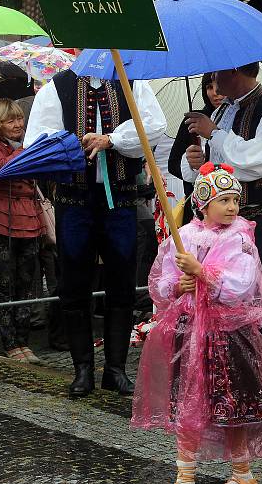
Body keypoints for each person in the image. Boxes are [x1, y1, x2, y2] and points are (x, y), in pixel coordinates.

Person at [25, 69, 166, 397]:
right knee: (74, 283)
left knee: (122, 283)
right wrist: (72, 143)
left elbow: (154, 125)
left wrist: (113, 140)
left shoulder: (133, 81)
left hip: (119, 196)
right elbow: (36, 140)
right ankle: (83, 370)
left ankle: (115, 370)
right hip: (74, 200)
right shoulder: (57, 87)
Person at [132, 163, 262, 484]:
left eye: (235, 200)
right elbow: (163, 279)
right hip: (189, 330)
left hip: (228, 334)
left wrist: (203, 273)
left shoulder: (240, 239)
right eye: (224, 201)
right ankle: (185, 471)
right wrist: (177, 285)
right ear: (204, 202)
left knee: (232, 406)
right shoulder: (184, 237)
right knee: (187, 404)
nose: (232, 207)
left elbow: (242, 284)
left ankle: (242, 472)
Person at [180, 62, 262, 428]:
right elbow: (216, 174)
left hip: (260, 219)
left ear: (236, 72)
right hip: (221, 227)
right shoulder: (225, 109)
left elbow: (256, 161)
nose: (212, 81)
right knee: (224, 304)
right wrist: (196, 162)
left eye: (217, 75)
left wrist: (216, 135)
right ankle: (234, 399)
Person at [0, 99, 45, 362]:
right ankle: (9, 343)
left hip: (29, 219)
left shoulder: (24, 144)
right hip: (1, 219)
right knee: (5, 282)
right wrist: (29, 150)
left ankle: (23, 341)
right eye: (11, 120)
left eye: (19, 119)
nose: (18, 124)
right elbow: (4, 166)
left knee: (27, 284)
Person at [168, 73, 225, 225]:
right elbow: (172, 164)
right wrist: (192, 165)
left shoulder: (239, 118)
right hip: (198, 207)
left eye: (219, 86)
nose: (215, 92)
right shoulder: (193, 121)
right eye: (209, 87)